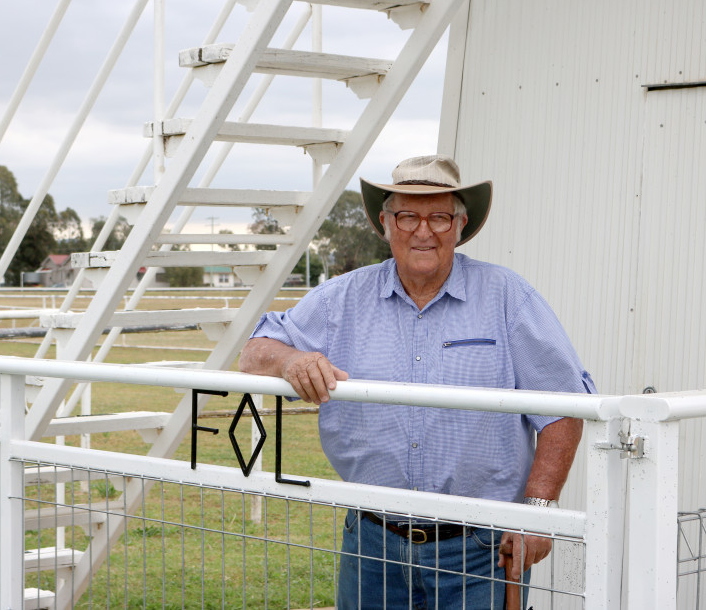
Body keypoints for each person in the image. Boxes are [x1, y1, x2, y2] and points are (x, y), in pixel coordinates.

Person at [239, 155, 595, 609]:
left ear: (460, 226)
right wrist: (292, 361)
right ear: (386, 223)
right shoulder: (339, 300)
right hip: (372, 543)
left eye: (439, 216)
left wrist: (539, 514)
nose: (423, 231)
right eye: (408, 215)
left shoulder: (509, 298)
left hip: (480, 549)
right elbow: (254, 353)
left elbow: (564, 406)